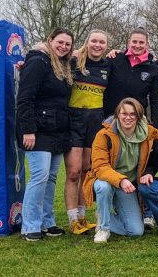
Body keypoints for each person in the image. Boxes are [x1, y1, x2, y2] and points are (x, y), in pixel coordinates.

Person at [17, 28, 75, 241]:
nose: (63, 47)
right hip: (37, 131)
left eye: (68, 44)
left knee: (50, 178)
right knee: (39, 177)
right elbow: (25, 99)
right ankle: (30, 225)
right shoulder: (37, 62)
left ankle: (47, 222)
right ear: (50, 41)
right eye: (60, 42)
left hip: (58, 131)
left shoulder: (63, 66)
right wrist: (28, 130)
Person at [83, 98, 158, 243]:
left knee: (136, 232)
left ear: (139, 116)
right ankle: (103, 229)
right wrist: (121, 180)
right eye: (124, 113)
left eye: (133, 114)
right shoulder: (103, 135)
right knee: (103, 186)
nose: (128, 117)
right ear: (117, 115)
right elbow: (99, 167)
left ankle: (103, 216)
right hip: (108, 180)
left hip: (127, 187)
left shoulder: (146, 131)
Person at [65, 29, 111, 235]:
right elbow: (48, 54)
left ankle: (83, 217)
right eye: (94, 41)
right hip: (74, 121)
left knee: (86, 171)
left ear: (106, 46)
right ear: (87, 42)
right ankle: (72, 218)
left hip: (95, 123)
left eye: (102, 42)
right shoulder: (73, 62)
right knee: (73, 172)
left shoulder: (108, 66)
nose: (97, 45)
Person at [103, 28, 158, 126]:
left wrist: (156, 125)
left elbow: (156, 100)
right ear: (128, 42)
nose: (137, 45)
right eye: (134, 41)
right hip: (110, 119)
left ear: (147, 45)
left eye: (141, 42)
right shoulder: (114, 59)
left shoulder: (153, 69)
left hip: (136, 121)